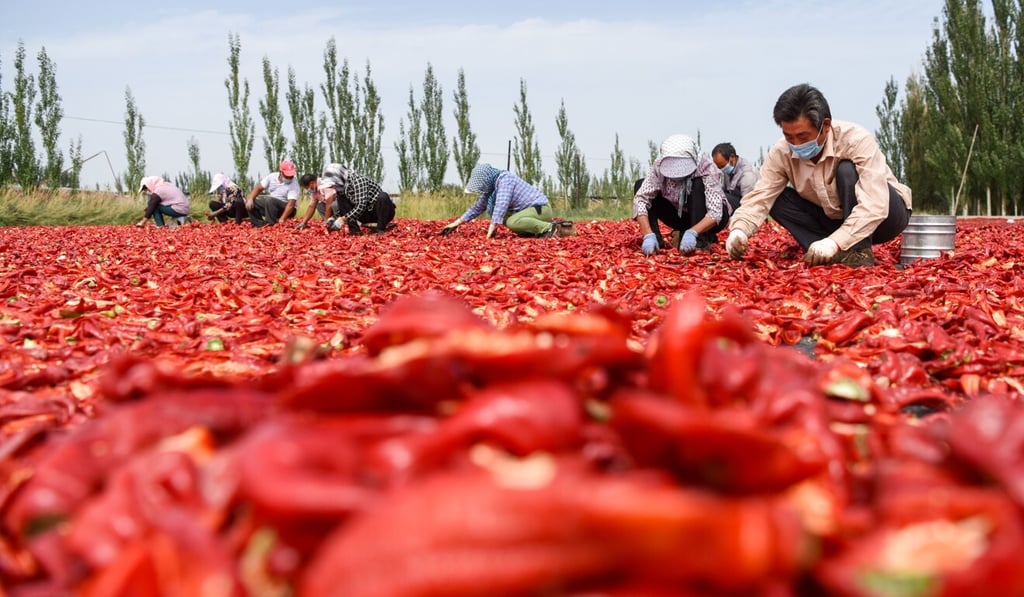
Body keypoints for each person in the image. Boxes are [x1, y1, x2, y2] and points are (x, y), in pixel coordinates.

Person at [725, 83, 912, 267]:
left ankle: (857, 252)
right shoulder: (781, 152)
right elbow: (760, 197)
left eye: (803, 136)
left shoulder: (855, 140)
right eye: (789, 136)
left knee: (846, 170)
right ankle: (823, 251)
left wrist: (835, 242)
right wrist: (739, 230)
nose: (796, 144)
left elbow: (875, 204)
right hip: (833, 218)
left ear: (826, 125)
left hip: (886, 217)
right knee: (777, 197)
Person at [633, 134, 739, 256]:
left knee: (697, 185)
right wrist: (647, 234)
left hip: (709, 218)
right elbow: (641, 199)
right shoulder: (659, 165)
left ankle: (701, 241)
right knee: (640, 185)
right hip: (681, 215)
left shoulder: (706, 167)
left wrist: (693, 232)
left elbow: (715, 212)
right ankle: (655, 241)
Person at [440, 163, 556, 239]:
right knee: (505, 218)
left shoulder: (505, 180)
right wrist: (456, 224)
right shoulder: (492, 189)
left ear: (487, 179)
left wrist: (491, 230)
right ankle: (531, 232)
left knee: (511, 222)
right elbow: (477, 208)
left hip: (541, 210)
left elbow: (501, 204)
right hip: (530, 211)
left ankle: (549, 228)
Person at [295, 164, 396, 234]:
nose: (333, 186)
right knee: (342, 199)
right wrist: (333, 218)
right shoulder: (341, 188)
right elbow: (344, 207)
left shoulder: (358, 181)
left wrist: (343, 219)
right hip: (365, 214)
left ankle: (380, 229)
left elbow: (361, 205)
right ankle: (355, 231)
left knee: (383, 196)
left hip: (379, 211)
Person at [246, 160, 300, 227]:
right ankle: (260, 224)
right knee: (251, 202)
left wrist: (282, 219)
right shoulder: (271, 177)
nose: (289, 177)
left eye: (291, 175)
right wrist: (251, 198)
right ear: (281, 172)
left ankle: (270, 224)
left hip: (287, 210)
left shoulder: (294, 184)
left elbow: (291, 205)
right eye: (287, 175)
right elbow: (258, 188)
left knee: (271, 200)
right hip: (271, 207)